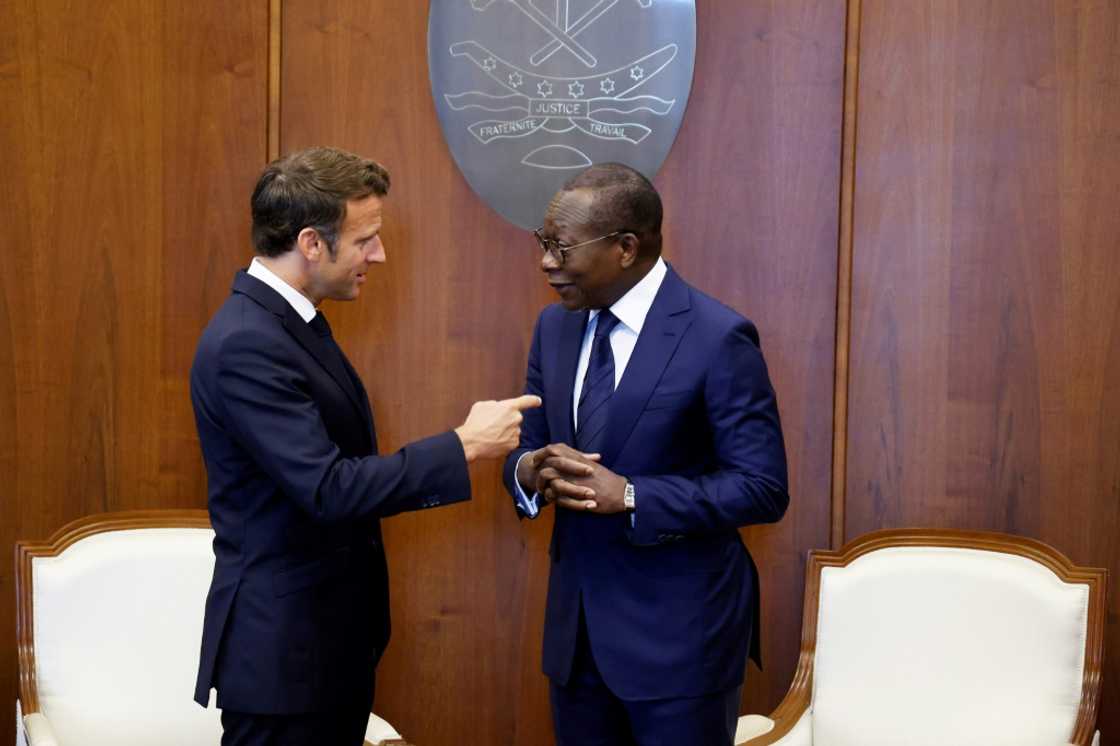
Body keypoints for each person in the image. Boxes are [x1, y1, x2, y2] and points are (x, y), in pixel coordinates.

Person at [190, 146, 539, 746]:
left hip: (324, 652)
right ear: (311, 243)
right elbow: (328, 488)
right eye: (365, 240)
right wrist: (463, 445)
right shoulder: (248, 342)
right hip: (285, 665)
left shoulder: (289, 322)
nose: (378, 255)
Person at [503, 163, 789, 745]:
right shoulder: (554, 328)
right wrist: (528, 471)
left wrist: (632, 495)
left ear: (626, 248)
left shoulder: (717, 336)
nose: (546, 262)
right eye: (543, 242)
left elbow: (762, 488)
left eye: (562, 247)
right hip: (577, 642)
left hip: (680, 645)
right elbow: (528, 448)